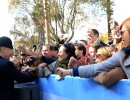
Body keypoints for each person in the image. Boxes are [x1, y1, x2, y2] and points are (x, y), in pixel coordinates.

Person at [56, 17, 130, 83]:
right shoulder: (122, 54)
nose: (120, 34)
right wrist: (68, 71)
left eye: (122, 32)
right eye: (119, 32)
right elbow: (96, 68)